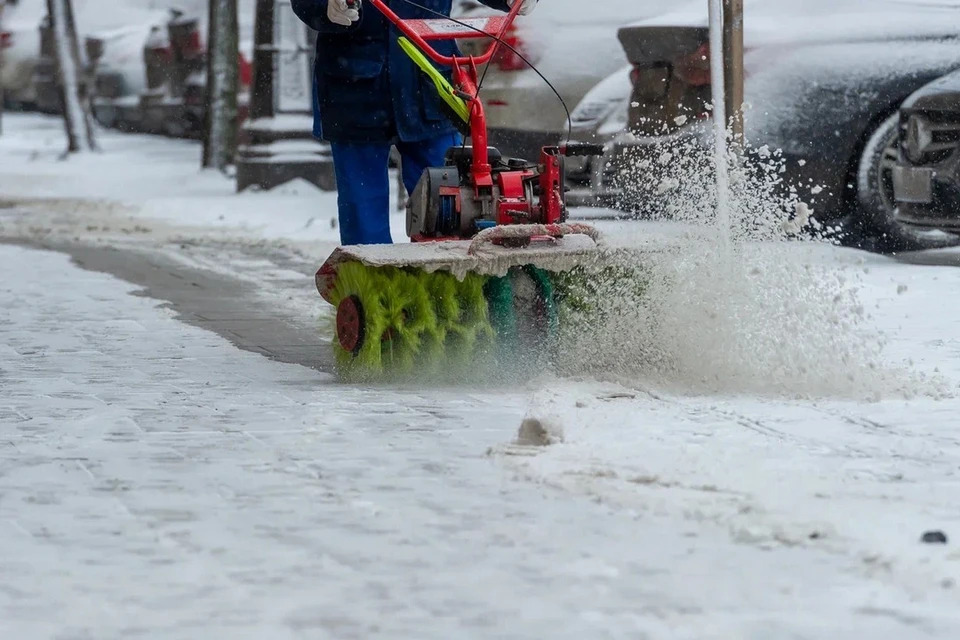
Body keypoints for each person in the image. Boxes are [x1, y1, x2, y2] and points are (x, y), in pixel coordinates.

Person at [291, 0, 537, 246]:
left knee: (446, 204)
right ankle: (371, 277)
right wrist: (325, 6)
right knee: (362, 207)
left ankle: (444, 275)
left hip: (429, 82)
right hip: (355, 88)